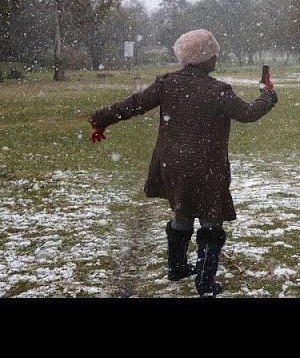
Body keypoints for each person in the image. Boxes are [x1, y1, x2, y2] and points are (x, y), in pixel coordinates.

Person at [89, 29, 277, 296]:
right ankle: (204, 281)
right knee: (211, 220)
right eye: (213, 54)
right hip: (206, 166)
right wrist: (268, 96)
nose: (216, 59)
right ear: (203, 58)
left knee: (182, 210)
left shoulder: (167, 83)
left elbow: (134, 104)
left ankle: (177, 266)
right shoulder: (217, 91)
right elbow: (247, 113)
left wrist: (101, 119)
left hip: (172, 164)